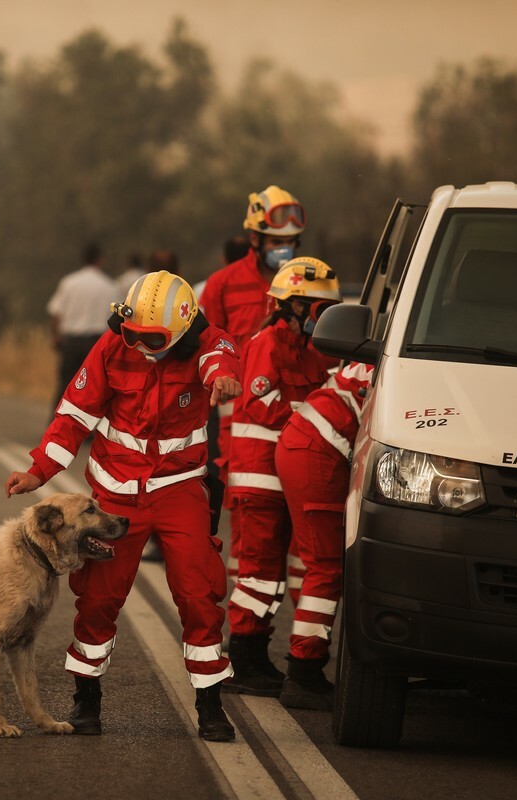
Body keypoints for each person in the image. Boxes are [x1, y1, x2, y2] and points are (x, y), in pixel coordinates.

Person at [5, 270, 243, 742]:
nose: (139, 345)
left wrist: (224, 380)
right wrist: (37, 471)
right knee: (98, 600)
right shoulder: (112, 347)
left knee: (199, 595)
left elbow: (223, 358)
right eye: (132, 333)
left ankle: (210, 704)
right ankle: (86, 700)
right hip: (114, 495)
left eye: (151, 338)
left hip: (178, 491)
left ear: (181, 330)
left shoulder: (209, 344)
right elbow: (72, 418)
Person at [224, 257, 341, 697]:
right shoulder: (266, 343)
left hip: (289, 478)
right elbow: (262, 402)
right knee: (257, 572)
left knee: (271, 575)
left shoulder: (308, 350)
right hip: (259, 478)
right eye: (318, 309)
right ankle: (242, 659)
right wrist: (316, 417)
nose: (322, 319)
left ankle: (257, 656)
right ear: (292, 306)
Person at [198, 186, 306, 583]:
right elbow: (203, 346)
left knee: (304, 528)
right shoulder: (223, 284)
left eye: (291, 242)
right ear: (255, 238)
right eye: (277, 242)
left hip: (299, 419)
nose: (285, 248)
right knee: (250, 524)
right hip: (241, 424)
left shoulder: (306, 282)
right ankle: (246, 633)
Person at [276, 358, 373, 710]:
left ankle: (306, 658)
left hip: (305, 442)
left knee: (313, 559)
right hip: (318, 450)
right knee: (326, 566)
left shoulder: (388, 350)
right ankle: (302, 673)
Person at [195, 233, 251, 538]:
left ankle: (209, 506)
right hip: (233, 380)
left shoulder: (206, 286)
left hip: (214, 383)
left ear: (223, 257)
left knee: (211, 447)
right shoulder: (223, 284)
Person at [46, 241, 115, 415]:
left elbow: (55, 313)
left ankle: (57, 422)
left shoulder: (69, 282)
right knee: (94, 387)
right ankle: (90, 429)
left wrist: (55, 337)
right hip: (96, 344)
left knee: (66, 384)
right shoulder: (109, 286)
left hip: (71, 342)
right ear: (100, 260)